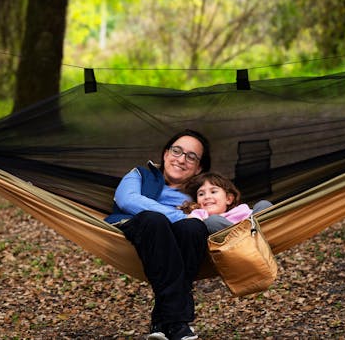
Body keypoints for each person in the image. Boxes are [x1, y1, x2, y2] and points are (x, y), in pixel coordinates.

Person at [105, 129, 212, 340]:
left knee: (193, 228)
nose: (181, 159)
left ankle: (163, 322)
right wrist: (179, 216)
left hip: (179, 241)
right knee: (156, 220)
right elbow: (127, 200)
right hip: (139, 229)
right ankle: (178, 322)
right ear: (165, 154)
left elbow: (221, 210)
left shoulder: (201, 193)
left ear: (199, 168)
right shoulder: (139, 174)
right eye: (177, 151)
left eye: (191, 156)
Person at [181, 172, 272, 234]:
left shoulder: (239, 210)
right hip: (233, 244)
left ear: (228, 199)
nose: (207, 197)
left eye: (213, 192)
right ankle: (245, 239)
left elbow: (253, 217)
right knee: (212, 221)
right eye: (201, 194)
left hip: (256, 232)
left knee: (264, 204)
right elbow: (190, 223)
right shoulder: (201, 214)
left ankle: (253, 236)